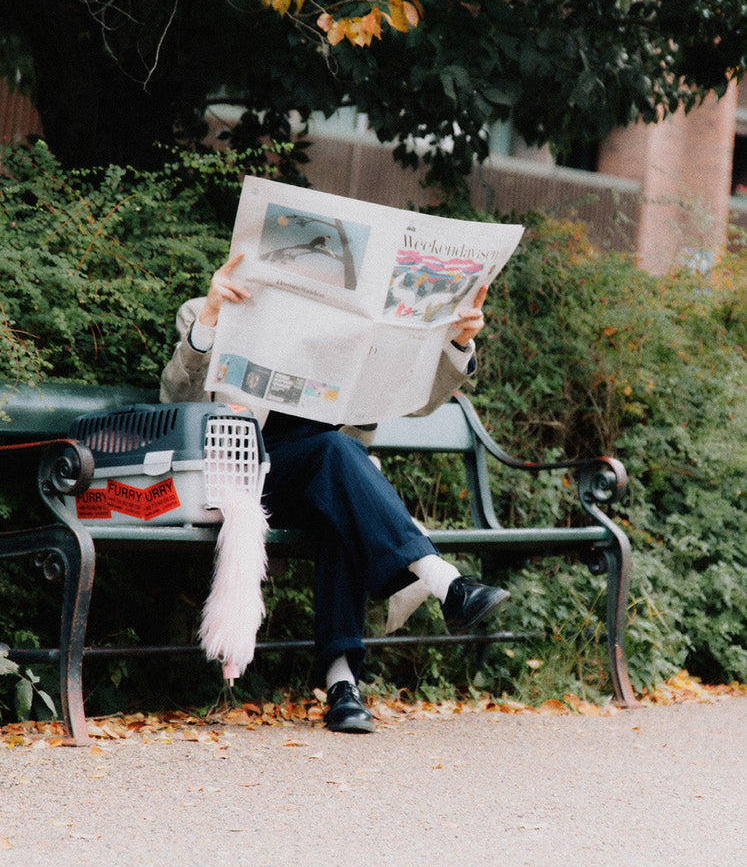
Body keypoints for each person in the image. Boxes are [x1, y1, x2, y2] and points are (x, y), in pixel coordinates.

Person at [160, 252, 510, 734]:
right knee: (337, 454)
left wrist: (458, 339)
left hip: (326, 484)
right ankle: (444, 582)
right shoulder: (207, 310)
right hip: (247, 479)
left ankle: (342, 684)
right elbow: (178, 402)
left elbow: (417, 400)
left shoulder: (356, 333)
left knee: (338, 487)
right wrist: (213, 317)